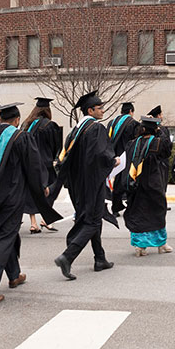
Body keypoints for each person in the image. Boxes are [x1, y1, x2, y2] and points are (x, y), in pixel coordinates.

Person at [0, 102, 62, 303]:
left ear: (1, 119)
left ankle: (14, 275)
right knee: (5, 235)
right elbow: (33, 166)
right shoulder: (21, 137)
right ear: (17, 120)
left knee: (6, 232)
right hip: (11, 196)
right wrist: (41, 186)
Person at [52, 91, 118, 281]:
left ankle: (100, 258)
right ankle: (68, 256)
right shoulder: (95, 129)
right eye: (100, 108)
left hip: (77, 185)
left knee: (91, 218)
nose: (103, 111)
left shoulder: (75, 130)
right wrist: (112, 161)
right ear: (90, 110)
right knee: (94, 220)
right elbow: (100, 154)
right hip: (92, 183)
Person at [123, 117, 172, 256]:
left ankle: (140, 246)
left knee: (138, 212)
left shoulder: (131, 144)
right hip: (153, 183)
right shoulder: (158, 143)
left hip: (136, 184)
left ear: (142, 129)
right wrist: (160, 131)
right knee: (157, 212)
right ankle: (161, 244)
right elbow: (167, 152)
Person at [21, 97, 63, 233]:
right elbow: (56, 146)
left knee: (32, 191)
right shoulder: (50, 125)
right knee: (51, 189)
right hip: (45, 164)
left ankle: (33, 223)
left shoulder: (26, 124)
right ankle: (46, 219)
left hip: (30, 163)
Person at [108, 102, 140, 216]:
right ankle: (131, 207)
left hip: (115, 157)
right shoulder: (133, 123)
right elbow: (136, 142)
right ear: (131, 111)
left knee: (117, 182)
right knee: (128, 181)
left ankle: (115, 208)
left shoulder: (112, 123)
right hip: (128, 156)